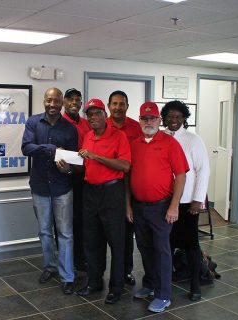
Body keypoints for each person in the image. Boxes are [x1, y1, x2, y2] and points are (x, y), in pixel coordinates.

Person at [129, 102, 188, 313]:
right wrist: (129, 206)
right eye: (144, 119)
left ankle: (164, 295)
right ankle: (150, 284)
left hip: (162, 207)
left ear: (159, 121)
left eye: (152, 118)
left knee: (162, 250)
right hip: (139, 207)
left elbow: (181, 176)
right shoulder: (134, 144)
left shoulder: (170, 143)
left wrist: (174, 207)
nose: (148, 122)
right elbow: (128, 177)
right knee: (144, 249)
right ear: (139, 121)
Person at [21, 87, 77, 294]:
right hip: (40, 187)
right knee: (45, 232)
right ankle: (50, 267)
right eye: (48, 100)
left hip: (62, 187)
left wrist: (68, 168)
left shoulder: (70, 129)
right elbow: (26, 148)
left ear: (62, 103)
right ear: (44, 101)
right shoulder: (33, 122)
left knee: (65, 234)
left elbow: (72, 160)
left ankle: (67, 276)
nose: (52, 105)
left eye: (56, 101)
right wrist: (52, 150)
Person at [75, 98, 131, 304]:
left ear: (105, 115)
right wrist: (70, 166)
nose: (93, 117)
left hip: (112, 193)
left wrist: (96, 156)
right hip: (90, 191)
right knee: (91, 240)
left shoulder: (119, 135)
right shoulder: (88, 136)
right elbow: (86, 165)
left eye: (97, 113)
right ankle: (94, 282)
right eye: (89, 114)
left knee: (116, 242)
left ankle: (116, 287)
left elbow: (124, 166)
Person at [161, 100, 210, 301]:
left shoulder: (193, 139)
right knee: (167, 243)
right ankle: (167, 281)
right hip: (164, 200)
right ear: (164, 118)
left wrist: (198, 200)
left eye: (178, 117)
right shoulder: (160, 137)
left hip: (187, 201)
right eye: (170, 116)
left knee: (191, 244)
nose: (173, 120)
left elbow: (203, 170)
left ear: (184, 119)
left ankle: (195, 284)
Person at [106, 90, 143, 286]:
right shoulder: (101, 127)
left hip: (131, 185)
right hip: (108, 186)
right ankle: (106, 270)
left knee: (127, 232)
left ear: (127, 106)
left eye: (122, 104)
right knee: (107, 231)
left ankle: (126, 271)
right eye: (114, 104)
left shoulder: (137, 128)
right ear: (108, 106)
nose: (118, 107)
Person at [62, 88, 91, 272]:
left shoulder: (87, 124)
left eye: (77, 100)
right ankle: (66, 260)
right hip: (64, 177)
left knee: (81, 220)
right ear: (64, 102)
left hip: (85, 178)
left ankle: (81, 259)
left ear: (81, 104)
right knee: (65, 222)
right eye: (70, 99)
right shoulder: (59, 123)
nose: (74, 102)